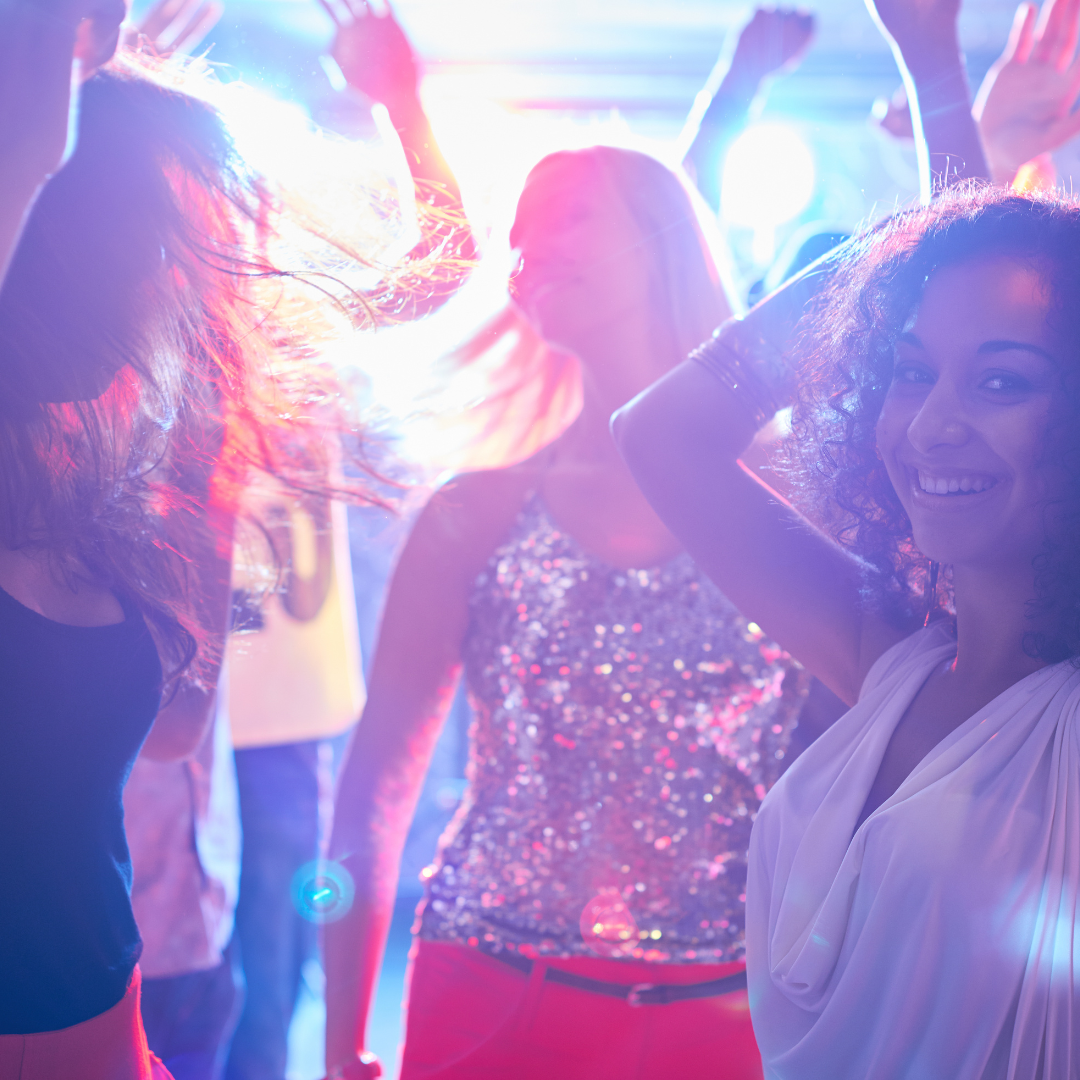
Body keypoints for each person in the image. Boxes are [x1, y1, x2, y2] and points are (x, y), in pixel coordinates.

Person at [322, 9, 831, 1063]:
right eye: (517, 233)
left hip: (728, 1009)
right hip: (489, 990)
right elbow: (378, 782)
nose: (526, 250)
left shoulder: (801, 497)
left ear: (657, 240)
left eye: (566, 222)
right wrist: (337, 1037)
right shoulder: (478, 510)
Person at [613, 1, 1080, 1074]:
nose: (932, 423)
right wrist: (945, 186)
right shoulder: (891, 661)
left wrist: (962, 178)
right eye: (910, 371)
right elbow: (666, 431)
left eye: (1003, 382)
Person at [0, 2, 426, 1075]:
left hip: (124, 1014)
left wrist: (207, 435)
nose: (175, 288)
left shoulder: (106, 487)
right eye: (159, 247)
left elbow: (175, 726)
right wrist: (72, 54)